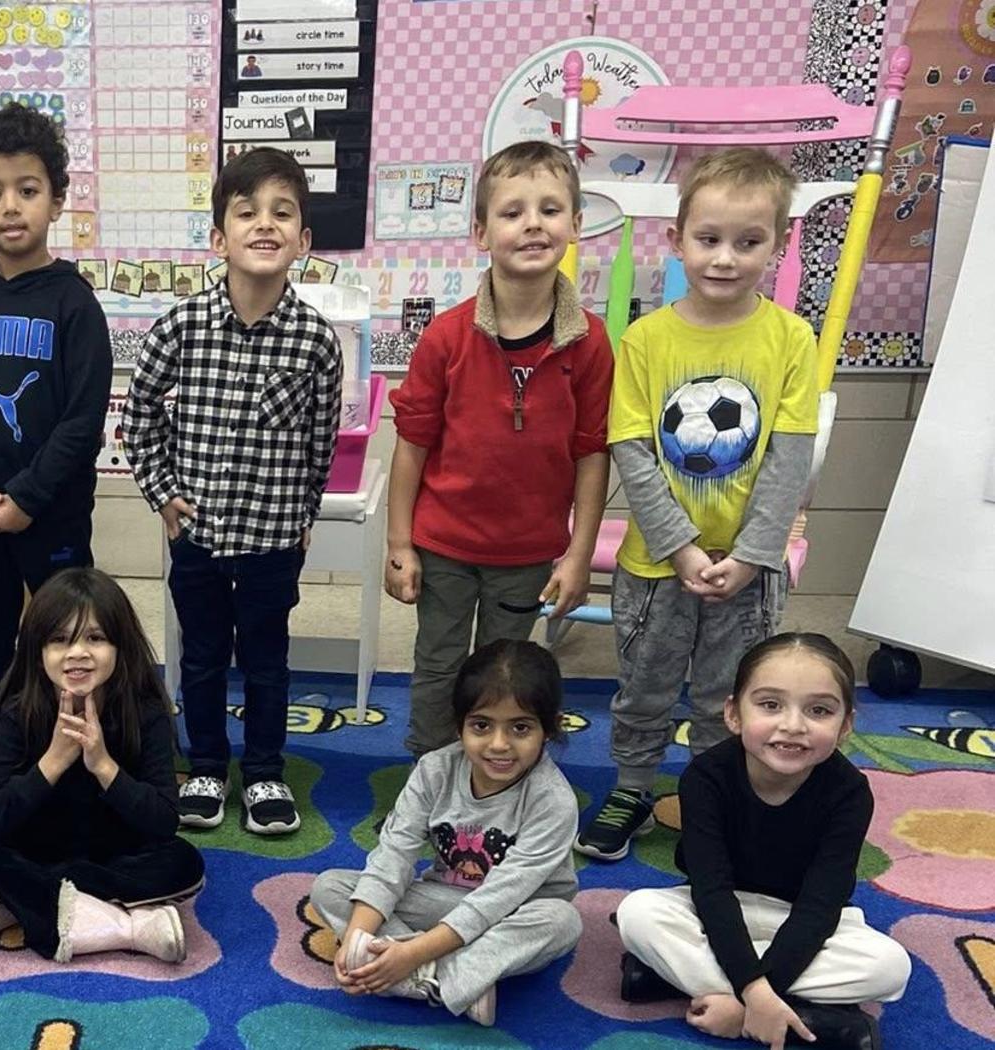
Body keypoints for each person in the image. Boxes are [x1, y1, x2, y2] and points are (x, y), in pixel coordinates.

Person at [577, 148, 820, 861]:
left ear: (776, 246)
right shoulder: (646, 340)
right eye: (709, 239)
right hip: (657, 564)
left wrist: (751, 555)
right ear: (677, 239)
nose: (724, 258)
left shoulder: (789, 339)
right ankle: (630, 787)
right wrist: (681, 546)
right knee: (645, 683)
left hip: (749, 568)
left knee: (731, 691)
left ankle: (717, 797)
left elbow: (788, 456)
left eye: (749, 242)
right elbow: (633, 449)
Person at [120, 147, 343, 836]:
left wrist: (304, 514)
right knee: (204, 656)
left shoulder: (314, 341)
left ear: (304, 240)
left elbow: (320, 439)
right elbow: (137, 416)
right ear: (220, 237)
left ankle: (266, 773)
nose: (265, 225)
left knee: (269, 658)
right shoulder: (181, 328)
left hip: (275, 537)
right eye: (247, 212)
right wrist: (164, 497)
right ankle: (210, 767)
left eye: (283, 213)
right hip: (201, 536)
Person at [385, 140, 614, 757]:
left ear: (575, 224)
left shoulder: (590, 343)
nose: (533, 224)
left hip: (529, 552)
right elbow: (412, 446)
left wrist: (578, 553)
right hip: (444, 546)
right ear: (482, 233)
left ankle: (498, 776)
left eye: (549, 208)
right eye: (513, 212)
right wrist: (400, 543)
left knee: (507, 672)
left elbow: (593, 453)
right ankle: (431, 776)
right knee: (438, 665)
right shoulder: (446, 337)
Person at [0, 102, 113, 795]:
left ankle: (77, 730)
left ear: (56, 199)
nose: (11, 208)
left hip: (51, 513)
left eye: (28, 190)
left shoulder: (74, 305)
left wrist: (30, 498)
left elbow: (82, 418)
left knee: (71, 634)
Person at [616, 633, 911, 1050]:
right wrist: (757, 994)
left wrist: (747, 999)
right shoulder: (706, 777)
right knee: (638, 913)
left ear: (845, 725)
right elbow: (711, 890)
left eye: (819, 710)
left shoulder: (850, 792)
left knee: (890, 967)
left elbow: (820, 906)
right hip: (713, 909)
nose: (793, 725)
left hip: (803, 919)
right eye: (770, 705)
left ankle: (700, 989)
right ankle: (797, 1014)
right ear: (734, 714)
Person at [309, 640, 583, 1027]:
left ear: (549, 729)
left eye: (520, 727)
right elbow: (393, 858)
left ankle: (416, 974)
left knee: (562, 921)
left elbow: (498, 900)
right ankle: (454, 981)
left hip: (515, 913)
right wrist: (356, 938)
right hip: (443, 899)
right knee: (330, 887)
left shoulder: (553, 800)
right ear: (460, 726)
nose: (499, 745)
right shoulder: (434, 770)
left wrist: (412, 952)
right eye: (481, 726)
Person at [0, 568, 204, 962]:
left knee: (185, 863)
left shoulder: (144, 711)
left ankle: (20, 904)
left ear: (120, 646)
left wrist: (102, 765)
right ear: (37, 651)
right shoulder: (19, 710)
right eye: (60, 640)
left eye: (95, 638)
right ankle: (128, 928)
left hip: (117, 853)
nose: (78, 652)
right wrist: (54, 760)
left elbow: (164, 820)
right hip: (37, 848)